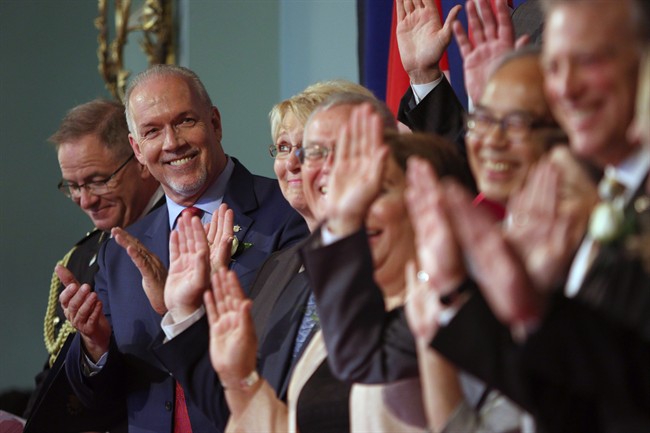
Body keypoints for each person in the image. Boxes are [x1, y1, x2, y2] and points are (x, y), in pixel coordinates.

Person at [59, 65, 308, 433]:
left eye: (185, 121)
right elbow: (104, 401)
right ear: (137, 149)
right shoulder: (122, 252)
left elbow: (293, 364)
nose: (172, 142)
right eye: (152, 131)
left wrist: (194, 309)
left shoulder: (288, 214)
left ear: (215, 124)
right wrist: (96, 347)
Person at [204, 102, 473, 433]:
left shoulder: (447, 308)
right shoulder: (343, 311)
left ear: (428, 205)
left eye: (377, 192)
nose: (354, 209)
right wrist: (240, 378)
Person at [148, 82, 376, 432]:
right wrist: (185, 311)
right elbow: (238, 409)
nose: (294, 163)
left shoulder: (386, 263)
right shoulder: (281, 269)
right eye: (284, 147)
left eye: (315, 149)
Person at [23, 99, 163, 428]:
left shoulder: (179, 235)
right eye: (73, 186)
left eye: (97, 180)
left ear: (139, 160)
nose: (85, 200)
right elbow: (55, 374)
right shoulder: (81, 258)